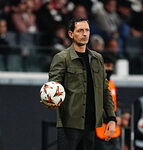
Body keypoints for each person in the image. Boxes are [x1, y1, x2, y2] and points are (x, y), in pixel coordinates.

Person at [40, 17, 117, 150]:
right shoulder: (61, 58)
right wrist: (49, 98)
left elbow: (105, 90)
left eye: (87, 30)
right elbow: (53, 85)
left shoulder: (97, 59)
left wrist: (111, 118)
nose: (85, 34)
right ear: (71, 34)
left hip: (91, 125)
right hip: (69, 124)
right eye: (80, 30)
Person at [94, 50, 121, 150]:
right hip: (98, 132)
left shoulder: (111, 84)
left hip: (113, 131)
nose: (109, 69)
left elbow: (117, 103)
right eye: (107, 65)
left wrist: (119, 116)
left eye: (111, 66)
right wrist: (111, 118)